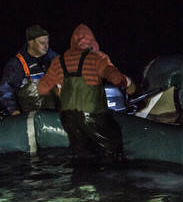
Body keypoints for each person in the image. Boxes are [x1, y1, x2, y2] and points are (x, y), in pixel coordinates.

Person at [37, 24, 136, 161]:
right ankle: (110, 179)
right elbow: (116, 77)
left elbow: (41, 88)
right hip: (93, 115)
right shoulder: (97, 57)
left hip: (68, 117)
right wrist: (129, 83)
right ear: (92, 41)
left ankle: (80, 180)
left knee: (80, 153)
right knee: (111, 148)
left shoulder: (57, 61)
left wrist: (58, 86)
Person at [0, 25, 59, 115]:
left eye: (47, 42)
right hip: (28, 119)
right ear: (31, 42)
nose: (46, 46)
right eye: (42, 43)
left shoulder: (54, 59)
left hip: (54, 116)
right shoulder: (17, 64)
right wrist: (14, 110)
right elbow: (4, 90)